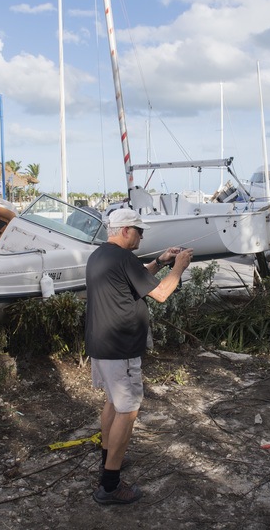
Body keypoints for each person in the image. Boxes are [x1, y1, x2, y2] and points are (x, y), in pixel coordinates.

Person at [85, 207, 193, 505]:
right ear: (124, 231)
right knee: (128, 410)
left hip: (101, 345)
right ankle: (110, 485)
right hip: (120, 349)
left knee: (113, 402)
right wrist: (179, 267)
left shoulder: (102, 255)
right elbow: (160, 294)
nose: (142, 235)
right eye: (138, 230)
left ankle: (108, 460)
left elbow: (135, 279)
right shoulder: (122, 257)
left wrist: (160, 261)